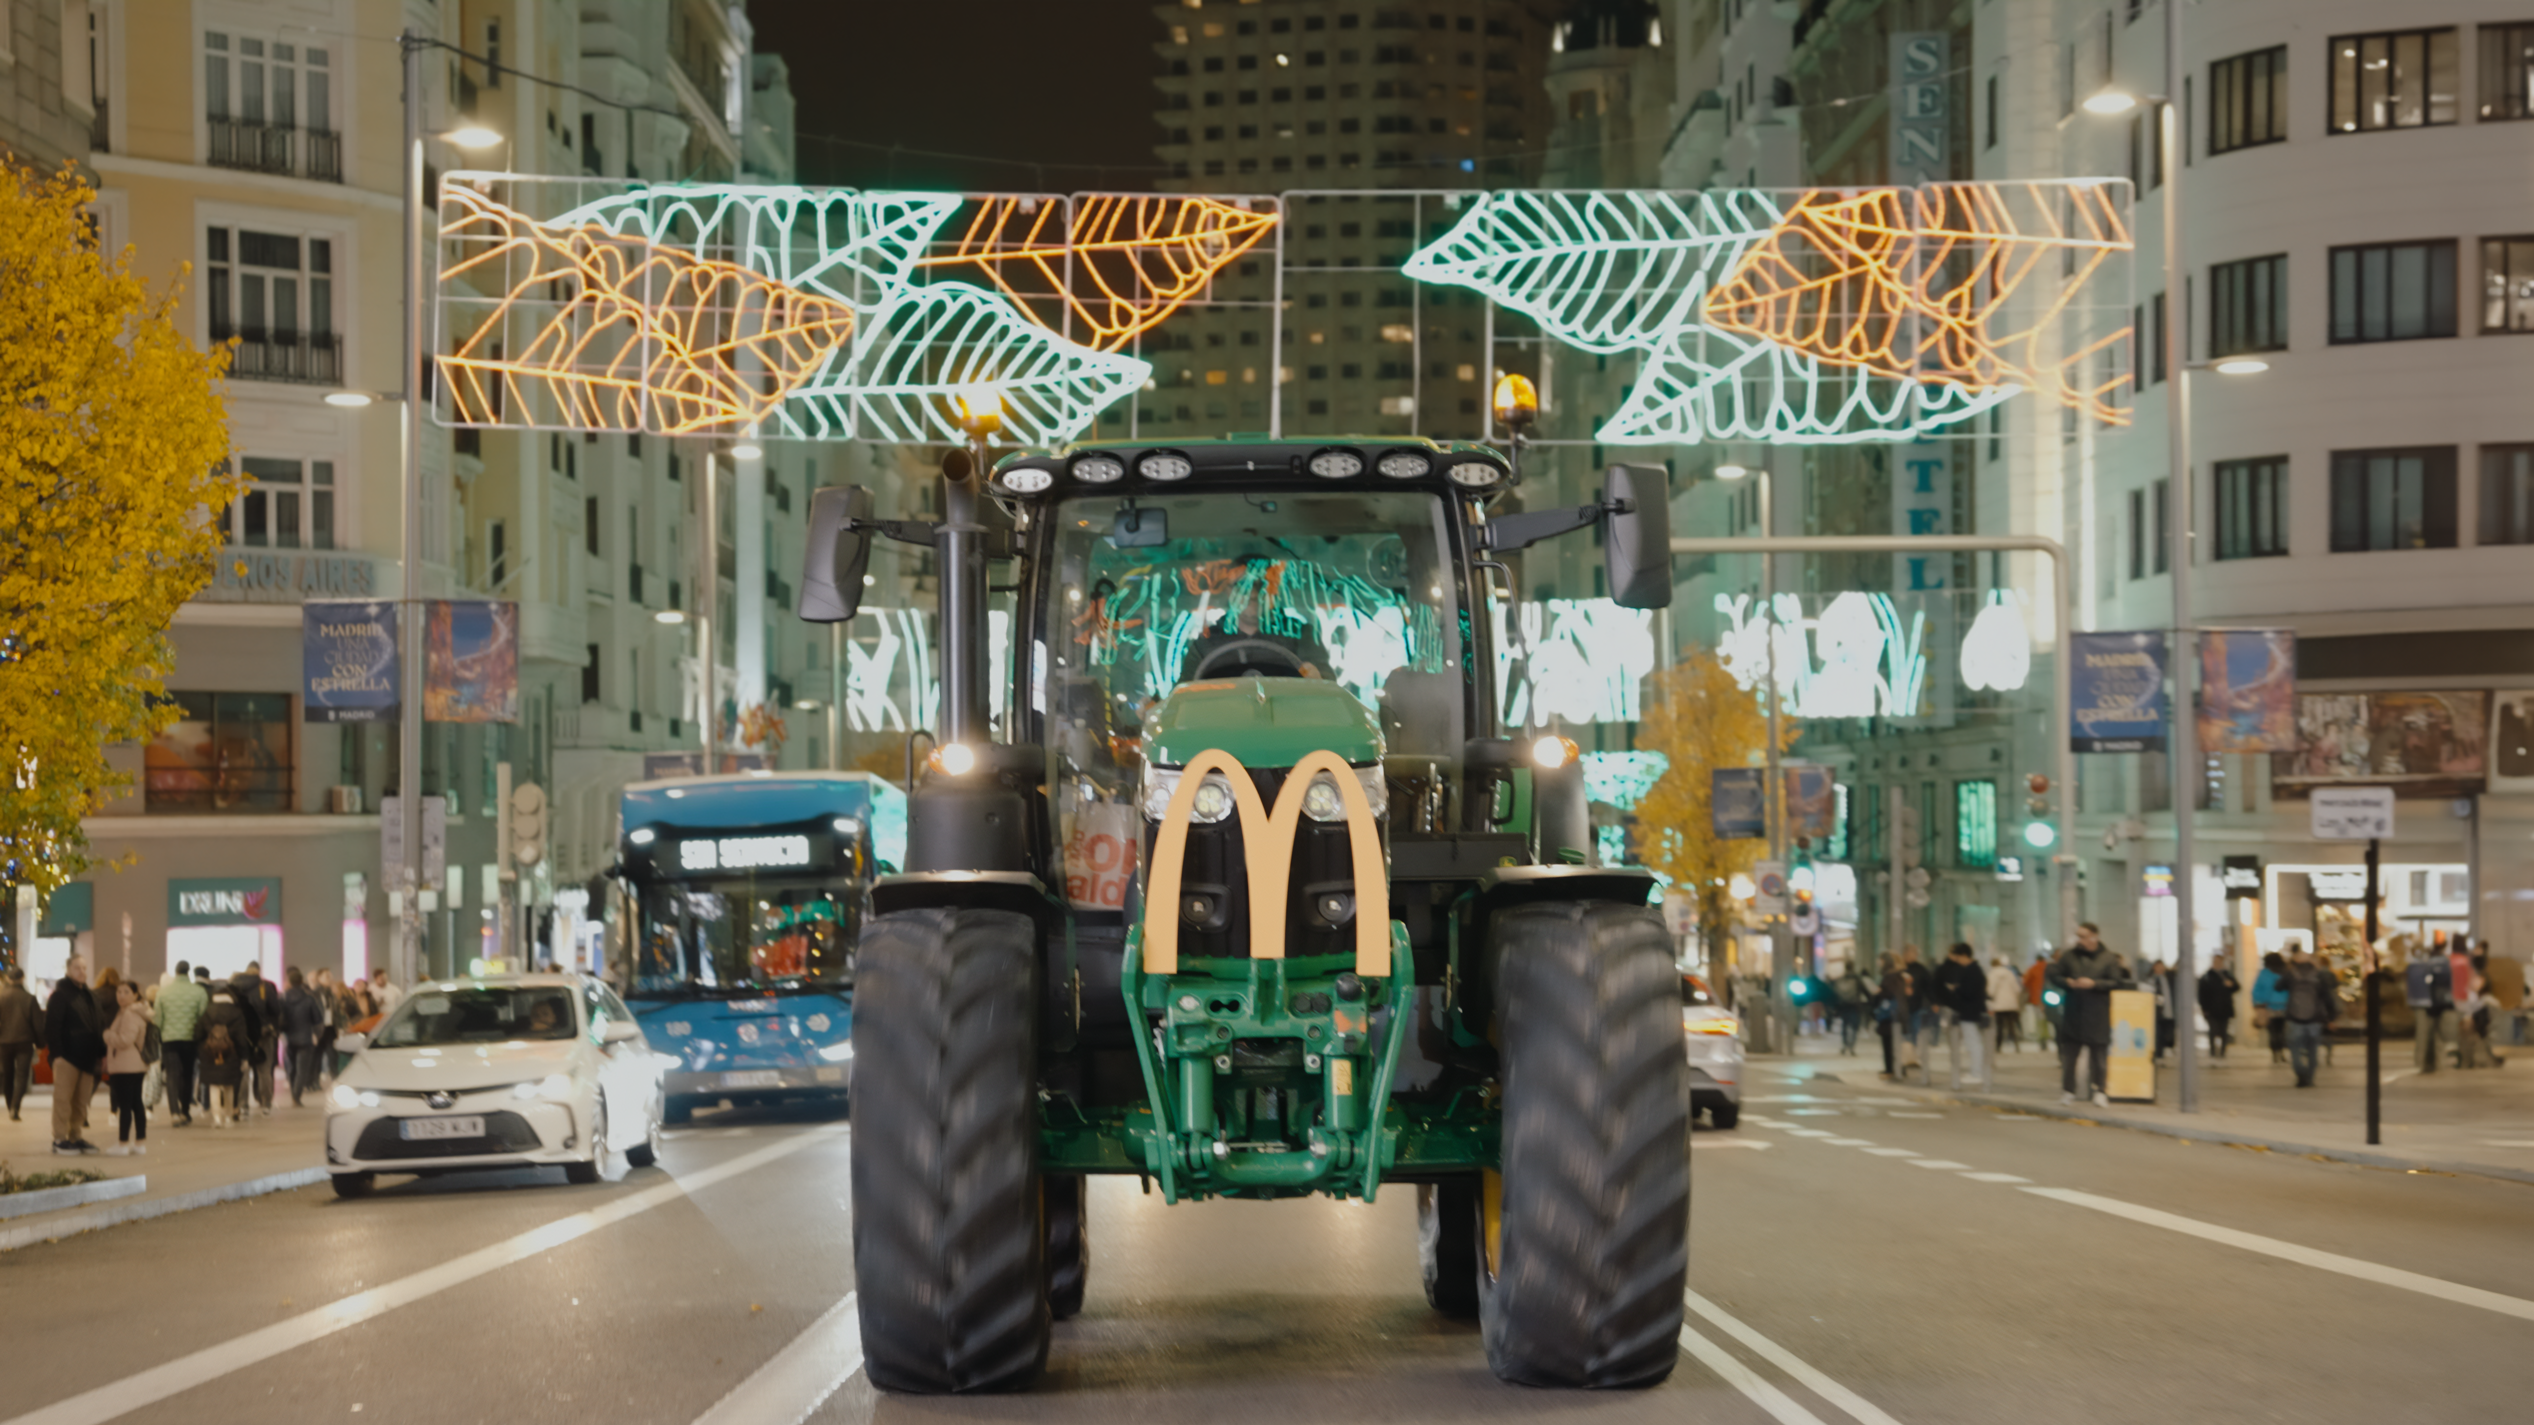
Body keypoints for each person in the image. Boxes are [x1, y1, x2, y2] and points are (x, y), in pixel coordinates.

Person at [2046, 923, 2133, 1106]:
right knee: (2069, 1058)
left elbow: (2116, 982)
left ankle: (2100, 1091)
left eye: (2083, 936)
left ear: (2094, 937)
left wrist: (2094, 984)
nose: (2080, 940)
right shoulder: (2070, 956)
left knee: (2099, 1058)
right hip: (2074, 1013)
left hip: (2097, 1014)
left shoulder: (2108, 958)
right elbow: (2054, 974)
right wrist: (2067, 982)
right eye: (2078, 936)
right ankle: (2068, 1091)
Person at [43, 956, 105, 1153]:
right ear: (68, 970)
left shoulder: (91, 996)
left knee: (81, 1100)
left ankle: (76, 1136)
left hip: (87, 1057)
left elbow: (99, 1025)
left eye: (84, 968)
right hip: (67, 1057)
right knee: (63, 1099)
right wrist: (58, 1054)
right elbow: (52, 1026)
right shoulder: (60, 995)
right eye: (77, 967)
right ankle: (59, 1139)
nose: (82, 971)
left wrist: (101, 1053)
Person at [100, 981, 154, 1155]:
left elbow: (125, 1040)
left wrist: (107, 1035)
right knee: (136, 1103)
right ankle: (140, 1143)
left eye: (126, 992)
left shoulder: (130, 1013)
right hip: (133, 1064)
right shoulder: (131, 1011)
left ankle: (123, 1143)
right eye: (119, 992)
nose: (121, 995)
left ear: (135, 995)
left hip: (126, 1065)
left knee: (126, 1105)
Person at [154, 959, 206, 1128]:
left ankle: (174, 1113)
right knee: (187, 1075)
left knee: (172, 1076)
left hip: (170, 1039)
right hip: (190, 1039)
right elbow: (202, 1017)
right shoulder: (198, 992)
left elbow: (158, 1019)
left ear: (176, 972)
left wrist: (162, 1034)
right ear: (188, 972)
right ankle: (185, 1111)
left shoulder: (163, 992)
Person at [1932, 942, 1991, 1091]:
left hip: (1969, 1011)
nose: (1956, 960)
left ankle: (1976, 1072)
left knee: (1973, 1042)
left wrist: (1956, 989)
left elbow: (1969, 992)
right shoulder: (1975, 970)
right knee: (1973, 1042)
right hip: (1971, 1010)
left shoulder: (1972, 971)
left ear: (1964, 956)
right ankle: (1976, 1071)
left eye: (1958, 956)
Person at [2279, 944, 2339, 1087]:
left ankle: (2300, 1073)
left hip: (2294, 1018)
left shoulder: (2291, 974)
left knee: (2295, 1049)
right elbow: (2328, 998)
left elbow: (2278, 986)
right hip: (2315, 1019)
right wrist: (2331, 1018)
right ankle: (2310, 1078)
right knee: (2312, 1051)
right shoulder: (2319, 975)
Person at [197, 985, 250, 1127]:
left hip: (210, 1053)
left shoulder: (207, 1011)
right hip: (231, 1053)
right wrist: (244, 1056)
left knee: (214, 1085)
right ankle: (228, 1117)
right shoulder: (236, 1012)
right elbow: (241, 1037)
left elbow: (198, 1033)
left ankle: (217, 1118)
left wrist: (201, 1050)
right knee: (228, 1086)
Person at [232, 962, 281, 1115]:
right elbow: (276, 1009)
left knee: (243, 1069)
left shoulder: (234, 986)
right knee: (264, 1070)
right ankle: (265, 1103)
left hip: (242, 1034)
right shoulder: (264, 986)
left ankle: (243, 1105)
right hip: (263, 1033)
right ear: (258, 972)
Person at [2403, 940, 2453, 1074]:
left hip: (2423, 1004)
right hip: (2429, 1004)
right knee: (2429, 1034)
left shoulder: (2412, 967)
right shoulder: (2425, 967)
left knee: (2425, 1034)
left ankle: (2426, 1062)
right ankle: (2428, 1062)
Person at [280, 968, 325, 1107]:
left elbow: (280, 1019)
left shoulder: (283, 998)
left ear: (289, 982)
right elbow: (318, 1019)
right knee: (302, 1069)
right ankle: (296, 1096)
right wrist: (317, 1035)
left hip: (289, 1037)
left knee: (292, 1067)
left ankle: (294, 1092)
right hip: (305, 1038)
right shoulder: (309, 998)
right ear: (301, 982)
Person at [0, 967, 39, 1121]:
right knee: (22, 1075)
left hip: (4, 1042)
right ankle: (16, 1107)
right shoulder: (29, 998)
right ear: (22, 978)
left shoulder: (1, 997)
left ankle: (10, 1105)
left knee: (8, 1075)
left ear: (8, 979)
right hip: (24, 1041)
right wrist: (40, 1043)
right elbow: (37, 1024)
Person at [2199, 954, 2242, 1059]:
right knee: (2213, 1030)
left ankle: (2222, 1051)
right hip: (2212, 1009)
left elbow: (2237, 987)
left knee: (2223, 1031)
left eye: (2219, 961)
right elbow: (2202, 993)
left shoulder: (2227, 974)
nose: (2217, 963)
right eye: (2215, 961)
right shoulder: (2207, 976)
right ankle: (2213, 1051)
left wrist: (2231, 985)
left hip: (2225, 1008)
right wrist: (2204, 1008)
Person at [2253, 951, 2289, 1063]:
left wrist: (2257, 1003)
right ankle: (2281, 1052)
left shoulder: (2264, 973)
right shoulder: (2286, 972)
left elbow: (2256, 990)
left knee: (2272, 1031)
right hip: (2284, 1006)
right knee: (2281, 1030)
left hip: (2269, 1006)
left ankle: (2275, 1054)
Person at [1986, 954, 2023, 1053]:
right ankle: (2016, 1045)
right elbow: (2017, 989)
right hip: (2011, 1004)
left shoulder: (1992, 974)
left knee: (1999, 1026)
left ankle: (1998, 1047)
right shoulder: (2010, 973)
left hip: (1999, 1005)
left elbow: (1991, 991)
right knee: (2011, 1026)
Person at [2023, 952, 2055, 1051]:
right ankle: (2050, 1037)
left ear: (2037, 960)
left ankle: (2042, 1040)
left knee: (2039, 1020)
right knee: (2049, 1020)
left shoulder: (2033, 969)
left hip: (2036, 999)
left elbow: (2025, 983)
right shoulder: (2050, 968)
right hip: (2051, 998)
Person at [1832, 966, 1866, 1054]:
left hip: (1844, 1006)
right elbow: (1864, 990)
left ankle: (1844, 1045)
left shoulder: (1842, 979)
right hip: (1854, 1005)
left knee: (1844, 1025)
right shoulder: (1857, 979)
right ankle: (1852, 1046)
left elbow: (1835, 992)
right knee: (1854, 1026)